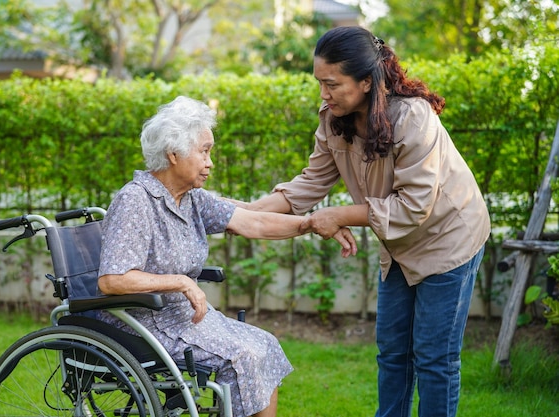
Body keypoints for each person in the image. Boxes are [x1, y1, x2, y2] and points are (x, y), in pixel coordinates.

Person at [235, 26, 491, 417]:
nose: (324, 94)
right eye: (320, 83)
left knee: (434, 358)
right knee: (392, 352)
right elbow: (311, 182)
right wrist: (241, 213)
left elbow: (412, 206)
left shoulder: (411, 117)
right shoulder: (335, 118)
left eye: (332, 84)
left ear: (367, 81)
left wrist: (338, 215)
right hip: (399, 247)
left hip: (448, 240)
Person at [96, 95, 354, 417]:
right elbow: (112, 279)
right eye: (204, 151)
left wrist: (312, 224)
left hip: (183, 318)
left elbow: (254, 221)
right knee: (242, 356)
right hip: (143, 321)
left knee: (264, 346)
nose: (210, 162)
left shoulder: (191, 199)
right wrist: (180, 282)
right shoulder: (136, 201)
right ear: (174, 154)